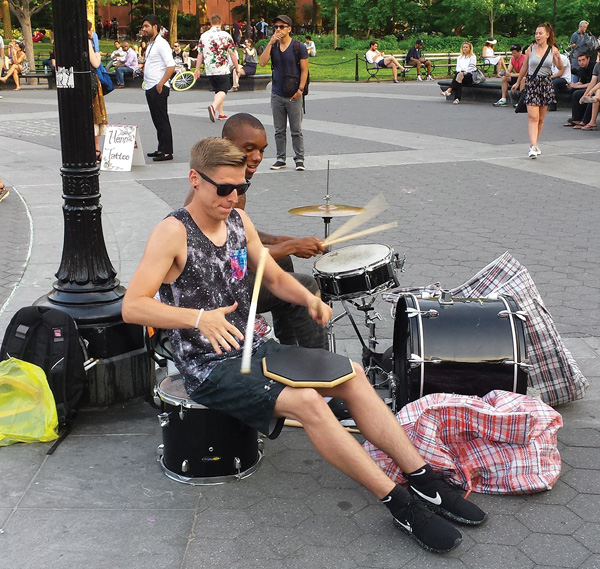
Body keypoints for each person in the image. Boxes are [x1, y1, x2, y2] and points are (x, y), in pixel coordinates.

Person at [122, 136, 488, 555]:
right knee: (308, 403)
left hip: (252, 348)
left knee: (349, 374)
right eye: (223, 188)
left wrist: (309, 297)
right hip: (208, 368)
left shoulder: (239, 221)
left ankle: (423, 479)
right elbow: (133, 306)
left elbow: (272, 277)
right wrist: (198, 318)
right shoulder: (172, 232)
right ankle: (399, 502)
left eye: (240, 187)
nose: (233, 196)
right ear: (195, 179)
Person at [183, 113, 328, 348]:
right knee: (306, 286)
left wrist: (286, 241)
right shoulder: (224, 191)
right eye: (249, 148)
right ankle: (321, 365)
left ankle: (288, 346)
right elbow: (235, 258)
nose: (257, 157)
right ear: (228, 144)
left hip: (223, 271)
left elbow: (240, 232)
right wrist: (290, 246)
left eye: (261, 150)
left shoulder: (226, 181)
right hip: (214, 287)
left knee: (283, 262)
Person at [259, 15, 309, 171]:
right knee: (279, 130)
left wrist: (301, 90)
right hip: (277, 93)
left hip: (294, 93)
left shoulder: (298, 46)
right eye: (276, 27)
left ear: (289, 28)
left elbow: (304, 70)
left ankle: (299, 159)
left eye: (281, 26)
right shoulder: (273, 46)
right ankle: (280, 158)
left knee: (296, 129)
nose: (278, 30)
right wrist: (270, 42)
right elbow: (262, 62)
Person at [512, 22, 562, 159]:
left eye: (540, 33)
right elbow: (524, 67)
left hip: (545, 84)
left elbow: (560, 67)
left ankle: (535, 144)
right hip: (533, 83)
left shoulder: (552, 50)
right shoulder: (530, 49)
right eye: (536, 33)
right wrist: (517, 82)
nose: (537, 36)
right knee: (533, 117)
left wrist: (558, 58)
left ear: (547, 35)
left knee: (540, 118)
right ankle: (533, 146)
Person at [141, 14, 175, 162]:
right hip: (150, 86)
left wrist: (160, 84)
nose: (144, 29)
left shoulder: (162, 43)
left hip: (158, 87)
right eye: (143, 27)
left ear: (155, 27)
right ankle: (161, 148)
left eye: (146, 26)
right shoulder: (151, 44)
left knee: (162, 120)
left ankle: (167, 151)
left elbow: (171, 65)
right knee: (157, 120)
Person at [195, 14, 239, 123]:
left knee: (217, 90)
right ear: (221, 22)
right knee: (224, 90)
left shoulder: (204, 36)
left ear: (210, 22)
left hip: (210, 68)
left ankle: (221, 113)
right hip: (222, 67)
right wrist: (237, 67)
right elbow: (232, 53)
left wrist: (197, 69)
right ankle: (213, 107)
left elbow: (200, 54)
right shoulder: (226, 35)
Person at [88, 22, 108, 163]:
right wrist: (98, 55)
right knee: (95, 115)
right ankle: (95, 150)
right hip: (90, 81)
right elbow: (95, 63)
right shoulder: (87, 41)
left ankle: (92, 149)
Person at [563, 52, 593, 127]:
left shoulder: (593, 66)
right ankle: (576, 117)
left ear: (588, 59)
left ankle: (582, 119)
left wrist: (577, 86)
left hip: (594, 88)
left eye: (583, 60)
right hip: (588, 87)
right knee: (572, 90)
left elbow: (592, 83)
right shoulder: (582, 69)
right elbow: (582, 82)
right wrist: (573, 85)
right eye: (579, 61)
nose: (581, 63)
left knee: (577, 93)